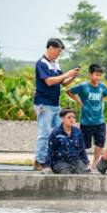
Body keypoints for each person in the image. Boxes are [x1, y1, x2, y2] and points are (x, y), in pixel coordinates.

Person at [33, 38, 80, 171]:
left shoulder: (55, 63)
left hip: (55, 105)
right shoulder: (42, 63)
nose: (58, 54)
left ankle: (53, 160)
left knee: (57, 133)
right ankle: (39, 161)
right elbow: (49, 81)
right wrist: (67, 74)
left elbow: (63, 82)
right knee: (45, 133)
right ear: (50, 48)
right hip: (43, 105)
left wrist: (73, 75)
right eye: (58, 51)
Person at [67, 63, 107, 169]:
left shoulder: (103, 87)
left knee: (100, 143)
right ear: (90, 74)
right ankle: (84, 162)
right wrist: (78, 101)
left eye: (100, 75)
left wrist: (101, 103)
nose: (98, 77)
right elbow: (69, 91)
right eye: (96, 75)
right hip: (86, 121)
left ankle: (95, 163)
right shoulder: (83, 86)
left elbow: (106, 94)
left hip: (100, 121)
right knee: (84, 144)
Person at [46, 108, 90, 174]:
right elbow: (50, 150)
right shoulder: (56, 133)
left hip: (76, 161)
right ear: (62, 119)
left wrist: (87, 163)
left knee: (85, 173)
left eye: (74, 117)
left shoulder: (77, 132)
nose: (72, 120)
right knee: (66, 174)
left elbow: (82, 149)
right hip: (60, 162)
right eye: (69, 117)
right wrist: (47, 166)